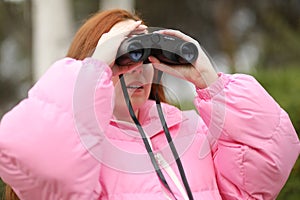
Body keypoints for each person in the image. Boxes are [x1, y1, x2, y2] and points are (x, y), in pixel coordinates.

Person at [0, 9, 299, 200]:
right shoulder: (81, 152)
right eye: (126, 54)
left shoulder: (191, 131)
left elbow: (270, 158)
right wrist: (94, 70)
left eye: (145, 54)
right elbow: (33, 158)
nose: (137, 68)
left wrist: (212, 82)